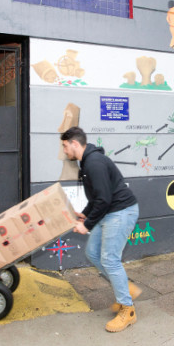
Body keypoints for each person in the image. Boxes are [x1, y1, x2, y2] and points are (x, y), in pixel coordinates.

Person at [61, 126, 141, 332]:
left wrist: (85, 225)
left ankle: (128, 310)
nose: (64, 151)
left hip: (120, 212)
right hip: (109, 212)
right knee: (92, 253)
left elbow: (104, 199)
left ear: (75, 144)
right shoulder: (87, 162)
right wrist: (85, 213)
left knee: (109, 259)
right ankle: (127, 289)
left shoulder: (94, 163)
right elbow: (98, 197)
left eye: (65, 146)